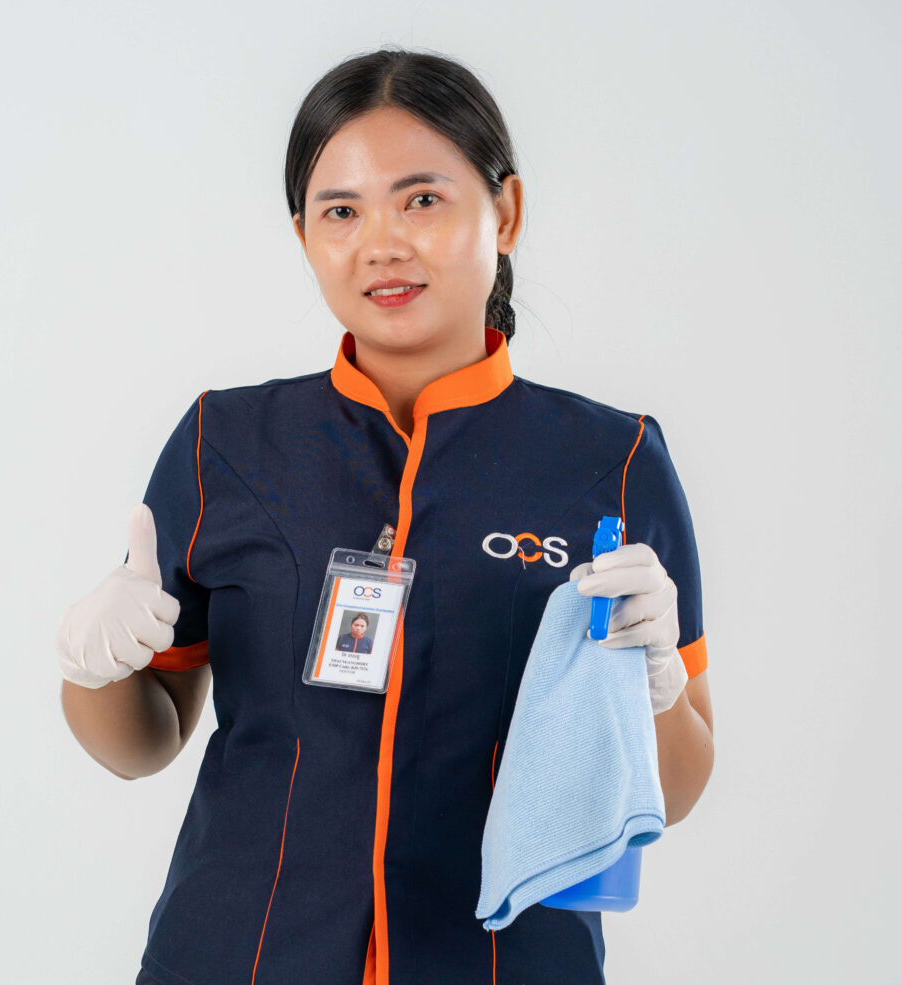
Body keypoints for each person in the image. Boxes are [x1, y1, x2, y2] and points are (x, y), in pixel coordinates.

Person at [57, 46, 715, 985]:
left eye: (422, 199)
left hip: (502, 963)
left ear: (507, 212)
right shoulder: (226, 444)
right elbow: (144, 741)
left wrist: (655, 687)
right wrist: (93, 668)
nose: (382, 243)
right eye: (342, 211)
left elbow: (676, 792)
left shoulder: (609, 462)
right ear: (305, 236)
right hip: (238, 957)